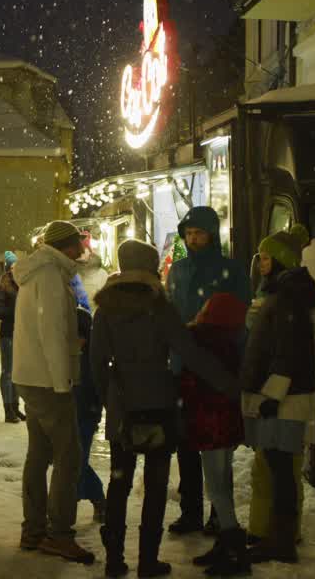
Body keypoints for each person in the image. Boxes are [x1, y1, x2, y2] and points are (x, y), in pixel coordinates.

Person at [92, 240, 239, 578]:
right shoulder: (160, 308)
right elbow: (190, 353)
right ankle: (147, 562)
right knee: (155, 488)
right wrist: (229, 385)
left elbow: (96, 362)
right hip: (159, 405)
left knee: (119, 483)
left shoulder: (106, 309)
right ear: (151, 267)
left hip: (123, 408)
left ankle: (114, 561)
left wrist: (109, 399)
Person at [165, 206, 252, 536]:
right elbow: (172, 312)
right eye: (188, 234)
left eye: (199, 233)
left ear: (212, 234)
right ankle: (191, 511)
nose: (193, 238)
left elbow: (238, 316)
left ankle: (221, 514)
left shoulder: (230, 270)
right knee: (187, 442)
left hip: (217, 364)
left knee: (217, 447)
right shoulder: (179, 271)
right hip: (183, 364)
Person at [11, 221, 93, 564]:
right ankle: (59, 533)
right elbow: (53, 334)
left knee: (40, 453)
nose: (82, 247)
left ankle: (33, 529)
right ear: (67, 246)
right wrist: (63, 384)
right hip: (48, 380)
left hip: (32, 375)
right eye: (78, 242)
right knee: (68, 456)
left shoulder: (41, 271)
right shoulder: (51, 276)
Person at [242, 225, 315, 565]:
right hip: (285, 393)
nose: (261, 263)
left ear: (284, 260)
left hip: (286, 397)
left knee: (281, 467)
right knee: (277, 466)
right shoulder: (281, 293)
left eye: (268, 257)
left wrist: (272, 395)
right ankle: (278, 536)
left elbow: (287, 351)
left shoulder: (288, 297)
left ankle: (282, 540)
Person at [183, 293, 251, 576]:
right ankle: (227, 544)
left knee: (216, 486)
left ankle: (234, 551)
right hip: (227, 421)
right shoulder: (234, 343)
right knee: (222, 482)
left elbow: (189, 381)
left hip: (208, 421)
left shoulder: (198, 340)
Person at [73, 304, 106, 525]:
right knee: (75, 462)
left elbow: (95, 390)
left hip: (85, 416)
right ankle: (98, 498)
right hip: (73, 415)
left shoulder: (91, 359)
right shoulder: (75, 355)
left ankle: (67, 511)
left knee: (76, 464)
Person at [0, 251, 24, 423]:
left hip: (22, 333)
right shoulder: (3, 286)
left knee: (18, 372)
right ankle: (8, 408)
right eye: (12, 267)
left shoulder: (23, 284)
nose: (15, 269)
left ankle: (15, 406)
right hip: (8, 333)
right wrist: (17, 311)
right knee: (8, 371)